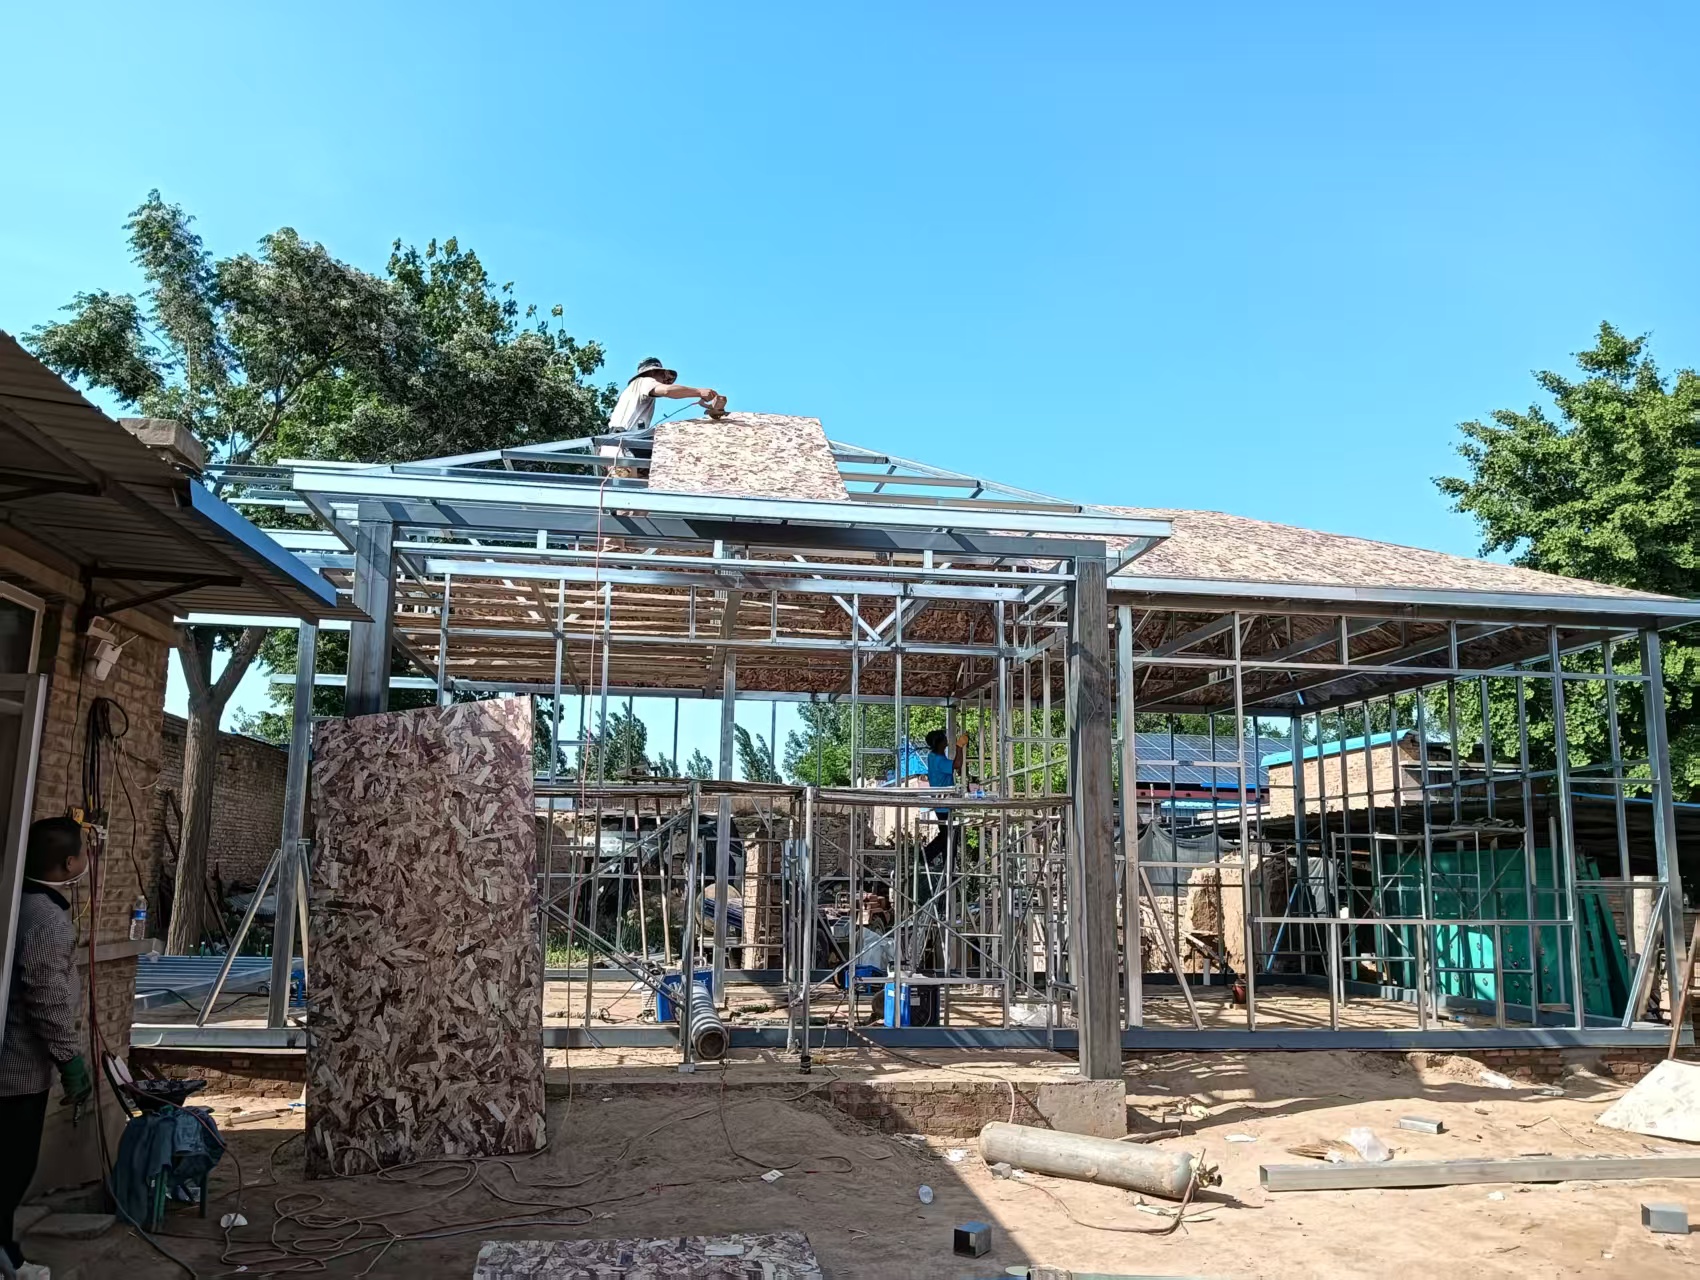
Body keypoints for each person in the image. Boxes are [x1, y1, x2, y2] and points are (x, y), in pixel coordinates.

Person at [2, 817, 93, 1278]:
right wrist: (69, 1059)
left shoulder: (16, 901)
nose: (88, 860)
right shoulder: (45, 919)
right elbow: (46, 996)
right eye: (84, 853)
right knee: (11, 1170)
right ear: (68, 863)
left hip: (18, 1064)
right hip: (17, 1069)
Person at [607, 357, 722, 433]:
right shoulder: (644, 381)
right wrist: (699, 392)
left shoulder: (633, 391)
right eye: (662, 376)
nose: (664, 381)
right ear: (652, 372)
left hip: (616, 442)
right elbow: (667, 391)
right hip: (623, 443)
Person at [922, 728, 967, 866]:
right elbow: (957, 764)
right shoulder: (938, 760)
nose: (947, 740)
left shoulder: (933, 756)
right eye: (944, 738)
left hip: (942, 803)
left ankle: (946, 866)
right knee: (948, 836)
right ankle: (925, 856)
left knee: (947, 835)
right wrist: (959, 747)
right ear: (940, 743)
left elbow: (953, 766)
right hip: (944, 804)